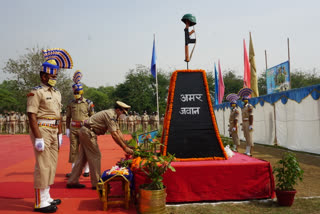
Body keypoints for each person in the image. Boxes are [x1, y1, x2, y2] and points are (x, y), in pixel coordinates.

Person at [27, 48, 73, 213]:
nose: (54, 79)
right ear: (43, 76)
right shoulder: (36, 92)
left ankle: (46, 197)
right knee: (43, 165)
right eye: (52, 76)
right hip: (42, 130)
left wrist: (60, 133)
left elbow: (59, 115)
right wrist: (38, 137)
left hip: (54, 131)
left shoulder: (57, 93)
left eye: (55, 76)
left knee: (52, 165)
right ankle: (39, 202)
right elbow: (31, 115)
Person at [66, 101, 134, 189]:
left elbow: (118, 132)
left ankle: (72, 181)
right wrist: (124, 148)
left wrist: (126, 144)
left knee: (82, 158)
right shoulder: (110, 115)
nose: (124, 115)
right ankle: (97, 183)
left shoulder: (114, 116)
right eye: (123, 112)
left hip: (85, 131)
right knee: (95, 156)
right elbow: (114, 134)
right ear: (118, 110)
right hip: (88, 132)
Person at [66, 70, 94, 178]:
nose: (76, 95)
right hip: (73, 128)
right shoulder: (70, 103)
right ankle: (74, 170)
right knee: (73, 149)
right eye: (75, 93)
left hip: (84, 129)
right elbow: (68, 117)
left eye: (78, 93)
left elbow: (92, 117)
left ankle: (86, 170)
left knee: (85, 148)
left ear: (82, 92)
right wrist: (67, 129)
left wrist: (92, 129)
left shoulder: (88, 103)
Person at [238, 88, 254, 156]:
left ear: (247, 100)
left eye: (244, 100)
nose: (243, 101)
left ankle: (249, 151)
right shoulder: (243, 107)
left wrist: (251, 124)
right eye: (243, 100)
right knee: (245, 136)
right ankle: (247, 150)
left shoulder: (249, 107)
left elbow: (251, 116)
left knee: (249, 136)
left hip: (248, 122)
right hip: (244, 122)